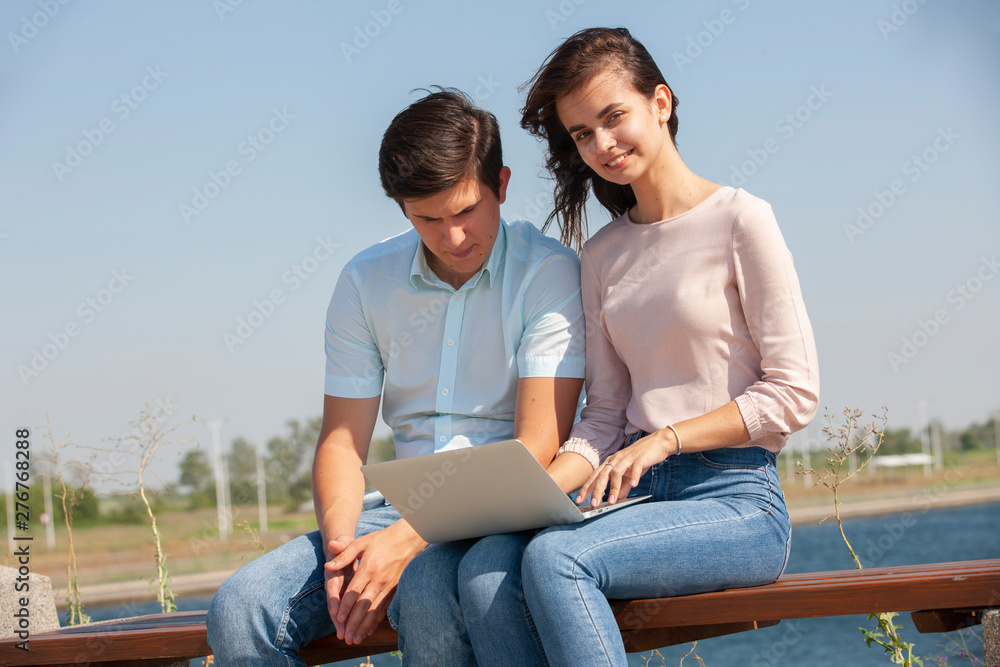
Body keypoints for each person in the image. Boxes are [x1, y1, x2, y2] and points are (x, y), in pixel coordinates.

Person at [461, 27, 821, 665]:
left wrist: (665, 438)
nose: (601, 144)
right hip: (627, 498)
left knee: (557, 559)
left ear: (661, 102)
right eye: (581, 134)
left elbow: (793, 392)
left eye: (613, 117)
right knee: (488, 562)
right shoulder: (602, 255)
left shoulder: (742, 219)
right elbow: (601, 419)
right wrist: (529, 497)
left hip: (735, 500)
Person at [205, 88, 586, 665]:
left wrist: (406, 540)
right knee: (240, 610)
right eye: (427, 219)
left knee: (430, 589)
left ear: (501, 185)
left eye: (465, 212)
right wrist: (344, 553)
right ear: (402, 208)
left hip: (503, 509)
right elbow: (341, 441)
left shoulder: (549, 272)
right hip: (388, 510)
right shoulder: (365, 281)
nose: (452, 237)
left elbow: (536, 447)